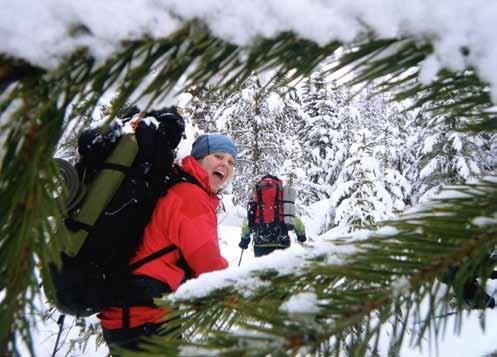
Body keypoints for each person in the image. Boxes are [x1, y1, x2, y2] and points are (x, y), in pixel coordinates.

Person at [98, 133, 237, 352]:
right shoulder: (191, 196)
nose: (225, 164)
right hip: (146, 317)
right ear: (199, 159)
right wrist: (243, 290)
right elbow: (207, 264)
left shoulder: (179, 184)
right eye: (218, 156)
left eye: (231, 161)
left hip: (130, 313)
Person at [239, 175, 307, 257]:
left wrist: (244, 240)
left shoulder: (257, 205)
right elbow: (296, 220)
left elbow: (247, 223)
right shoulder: (284, 206)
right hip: (282, 245)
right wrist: (301, 236)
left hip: (260, 246)